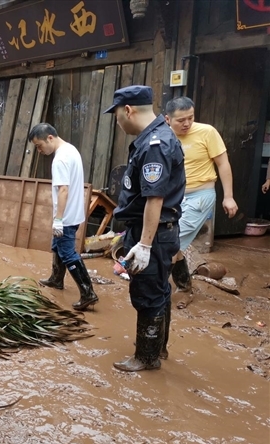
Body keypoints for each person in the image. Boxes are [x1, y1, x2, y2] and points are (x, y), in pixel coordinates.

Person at [105, 85, 185, 372]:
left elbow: (155, 197)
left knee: (148, 293)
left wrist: (145, 244)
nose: (117, 121)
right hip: (154, 229)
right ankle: (158, 349)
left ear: (128, 110)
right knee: (160, 289)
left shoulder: (155, 144)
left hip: (154, 231)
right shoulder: (155, 137)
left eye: (116, 115)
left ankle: (147, 357)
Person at [164, 97, 239, 309]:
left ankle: (157, 289)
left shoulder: (207, 132)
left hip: (200, 196)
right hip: (174, 197)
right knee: (171, 242)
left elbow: (223, 163)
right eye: (181, 120)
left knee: (171, 243)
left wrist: (229, 196)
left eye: (191, 118)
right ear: (167, 119)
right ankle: (184, 284)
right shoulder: (163, 135)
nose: (187, 124)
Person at [28, 123, 98, 311]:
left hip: (65, 217)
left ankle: (88, 292)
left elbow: (63, 190)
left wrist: (59, 219)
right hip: (74, 212)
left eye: (39, 146)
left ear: (49, 138)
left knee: (68, 253)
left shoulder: (59, 160)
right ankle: (56, 279)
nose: (39, 150)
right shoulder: (71, 149)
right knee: (57, 246)